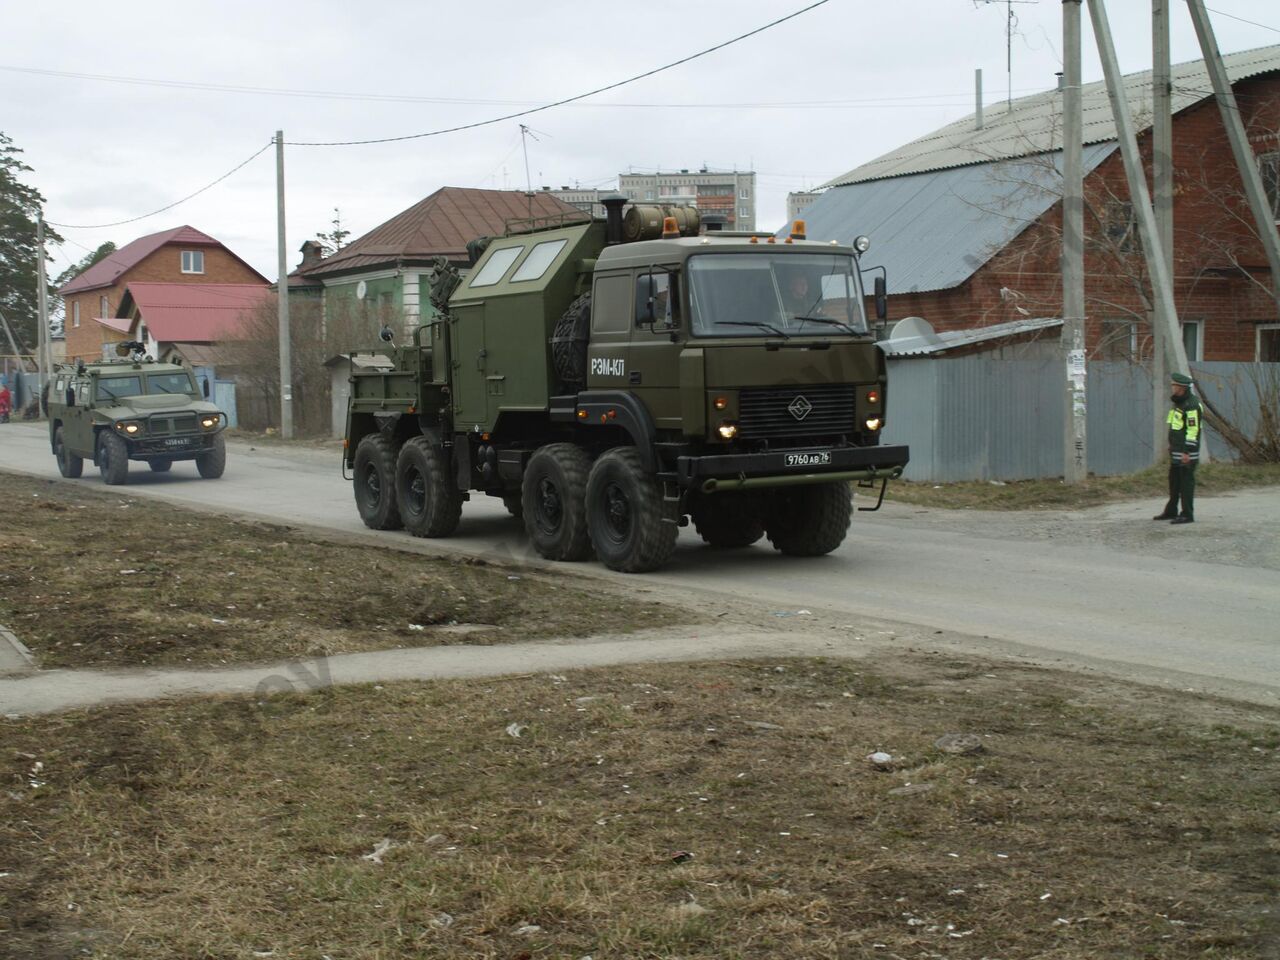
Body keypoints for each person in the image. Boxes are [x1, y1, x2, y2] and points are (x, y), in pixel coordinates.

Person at [1153, 372, 1201, 525]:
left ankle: (1187, 514)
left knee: (1186, 482)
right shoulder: (1178, 403)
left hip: (1186, 451)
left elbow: (1193, 430)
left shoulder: (1192, 405)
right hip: (1176, 449)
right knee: (1174, 481)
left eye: (1174, 385)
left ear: (1182, 388)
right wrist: (1171, 446)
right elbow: (1175, 427)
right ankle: (1171, 510)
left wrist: (1187, 451)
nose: (1172, 387)